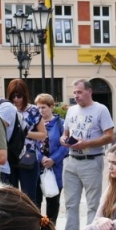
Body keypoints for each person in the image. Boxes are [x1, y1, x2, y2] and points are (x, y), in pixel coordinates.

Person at [61, 79, 115, 230]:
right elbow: (65, 132)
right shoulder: (71, 111)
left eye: (79, 92)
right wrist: (63, 139)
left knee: (93, 203)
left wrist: (87, 143)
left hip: (91, 160)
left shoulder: (100, 109)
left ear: (89, 92)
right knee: (70, 203)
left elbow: (109, 136)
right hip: (71, 160)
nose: (76, 96)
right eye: (74, 92)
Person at [6, 79, 45, 204]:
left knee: (29, 197)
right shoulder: (5, 109)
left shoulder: (33, 110)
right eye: (13, 96)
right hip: (9, 157)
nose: (16, 99)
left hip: (28, 158)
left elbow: (43, 135)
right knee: (10, 196)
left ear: (25, 95)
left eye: (19, 96)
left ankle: (31, 222)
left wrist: (24, 133)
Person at [35, 93, 69, 223]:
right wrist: (41, 158)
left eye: (43, 107)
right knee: (35, 202)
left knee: (53, 203)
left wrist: (53, 159)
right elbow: (30, 144)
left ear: (51, 107)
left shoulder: (61, 124)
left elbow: (67, 145)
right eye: (38, 107)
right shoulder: (34, 124)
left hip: (55, 168)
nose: (40, 110)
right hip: (37, 168)